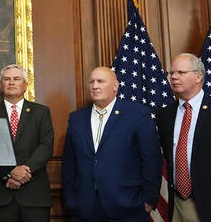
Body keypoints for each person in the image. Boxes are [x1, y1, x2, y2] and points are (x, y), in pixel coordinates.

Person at [62, 66, 162, 221]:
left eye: (100, 81)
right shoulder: (77, 118)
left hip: (128, 206)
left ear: (115, 86)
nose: (95, 86)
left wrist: (149, 198)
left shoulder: (137, 114)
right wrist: (71, 199)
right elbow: (69, 162)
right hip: (84, 208)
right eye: (92, 82)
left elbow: (151, 159)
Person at [0, 64, 54, 221]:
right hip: (1, 195)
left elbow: (46, 146)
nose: (11, 82)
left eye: (16, 79)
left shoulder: (41, 112)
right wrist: (9, 173)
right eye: (6, 79)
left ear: (26, 85)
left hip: (34, 194)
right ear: (1, 85)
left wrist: (25, 171)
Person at [156, 53, 211, 222]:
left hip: (210, 203)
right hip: (176, 202)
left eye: (181, 72)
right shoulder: (165, 114)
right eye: (171, 73)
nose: (174, 77)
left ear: (198, 77)